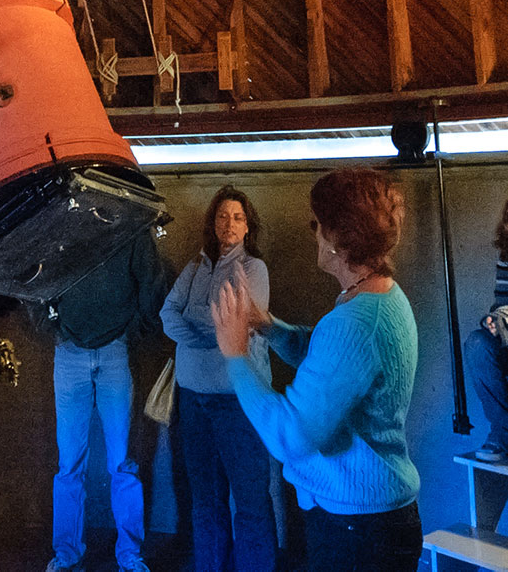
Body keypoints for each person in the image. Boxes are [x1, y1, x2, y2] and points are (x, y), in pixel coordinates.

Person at [212, 167, 421, 572]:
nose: (315, 233)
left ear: (338, 239)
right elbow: (328, 357)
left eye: (318, 224)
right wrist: (269, 328)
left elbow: (291, 436)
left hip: (356, 529)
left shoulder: (356, 322)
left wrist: (235, 356)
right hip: (373, 518)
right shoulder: (378, 298)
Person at [160, 187, 276, 572]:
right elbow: (167, 314)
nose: (229, 224)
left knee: (251, 502)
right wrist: (205, 333)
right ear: (213, 223)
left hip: (237, 403)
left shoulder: (254, 269)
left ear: (248, 228)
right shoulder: (195, 267)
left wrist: (198, 332)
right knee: (205, 501)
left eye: (238, 218)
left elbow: (239, 325)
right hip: (193, 400)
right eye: (223, 217)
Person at [47, 225, 167, 572]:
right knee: (70, 463)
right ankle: (67, 554)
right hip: (69, 352)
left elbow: (151, 281)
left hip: (114, 350)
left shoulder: (128, 224)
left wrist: (134, 327)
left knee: (121, 462)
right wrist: (50, 324)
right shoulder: (56, 223)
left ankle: (129, 554)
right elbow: (33, 280)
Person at [464, 198, 508, 461]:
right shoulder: (506, 256)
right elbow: (503, 303)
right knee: (477, 344)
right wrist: (495, 322)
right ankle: (504, 433)